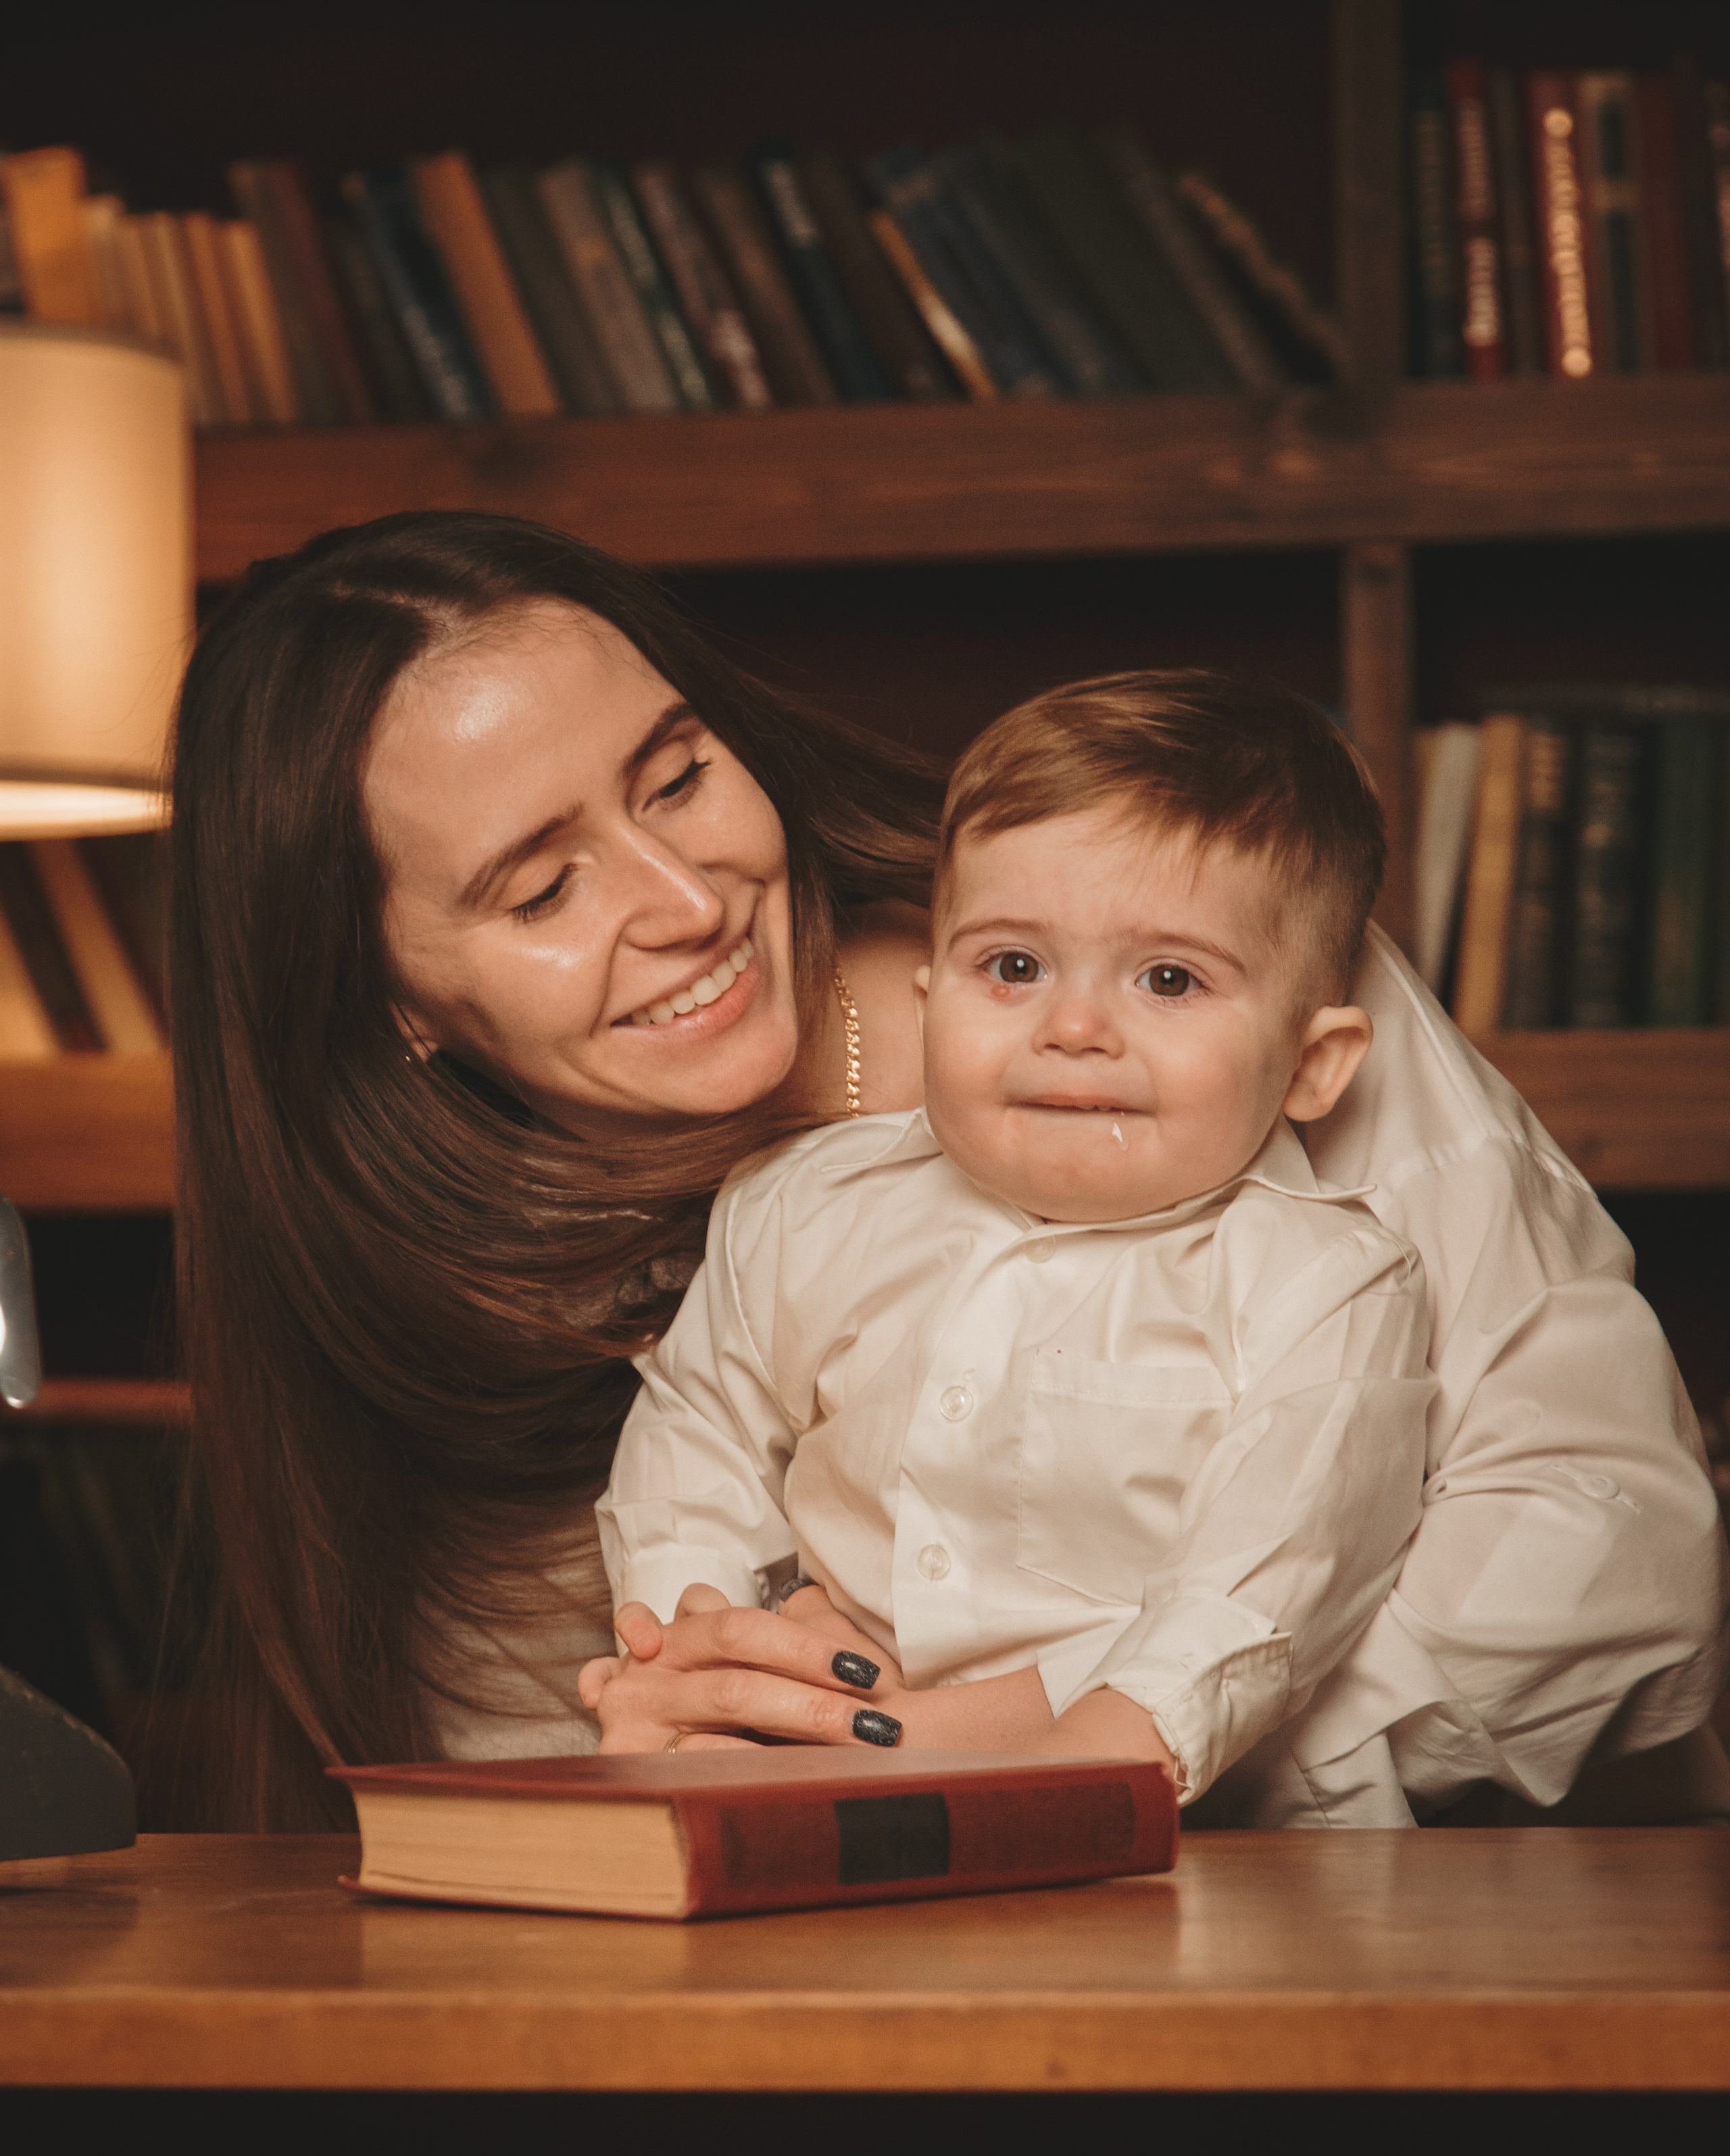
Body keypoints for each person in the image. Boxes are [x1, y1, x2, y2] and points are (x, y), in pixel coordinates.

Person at [160, 510, 1723, 1832]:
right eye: (540, 889)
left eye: (677, 777)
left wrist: (1066, 1740)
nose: (685, 900)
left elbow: (1614, 1561)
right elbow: (581, 1784)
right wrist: (679, 1713)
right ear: (384, 1000)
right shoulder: (432, 1341)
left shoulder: (1197, 942)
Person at [594, 676, 1442, 1821]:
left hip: (1192, 1834)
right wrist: (698, 1651)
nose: (1073, 1027)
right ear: (929, 996)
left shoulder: (1329, 1287)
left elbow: (1269, 1579)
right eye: (1013, 968)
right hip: (823, 1795)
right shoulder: (799, 1209)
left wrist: (1078, 1745)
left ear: (1312, 1064)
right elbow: (698, 1445)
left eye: (1169, 980)